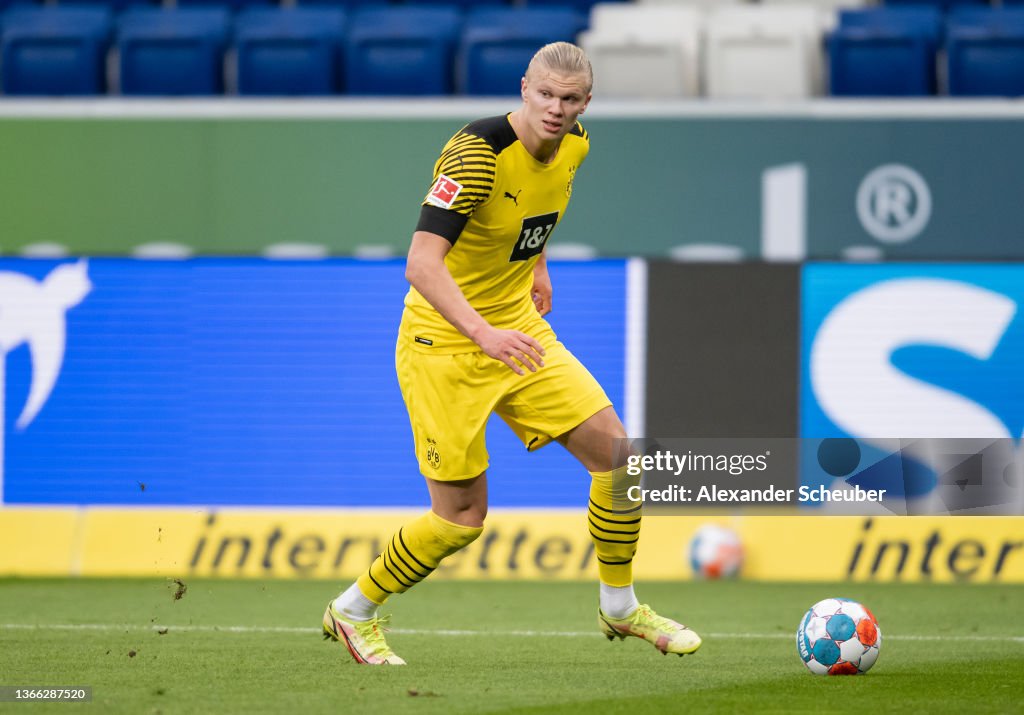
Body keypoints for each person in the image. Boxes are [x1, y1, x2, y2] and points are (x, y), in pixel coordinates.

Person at [321, 42, 701, 665]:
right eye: (545, 95)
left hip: (517, 330)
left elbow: (529, 213)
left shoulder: (576, 144)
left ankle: (620, 607)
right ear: (524, 88)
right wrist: (483, 335)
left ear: (586, 102)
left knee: (619, 459)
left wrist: (536, 264)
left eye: (570, 99)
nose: (556, 109)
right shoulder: (475, 155)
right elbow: (421, 263)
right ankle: (353, 609)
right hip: (444, 345)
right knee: (460, 519)